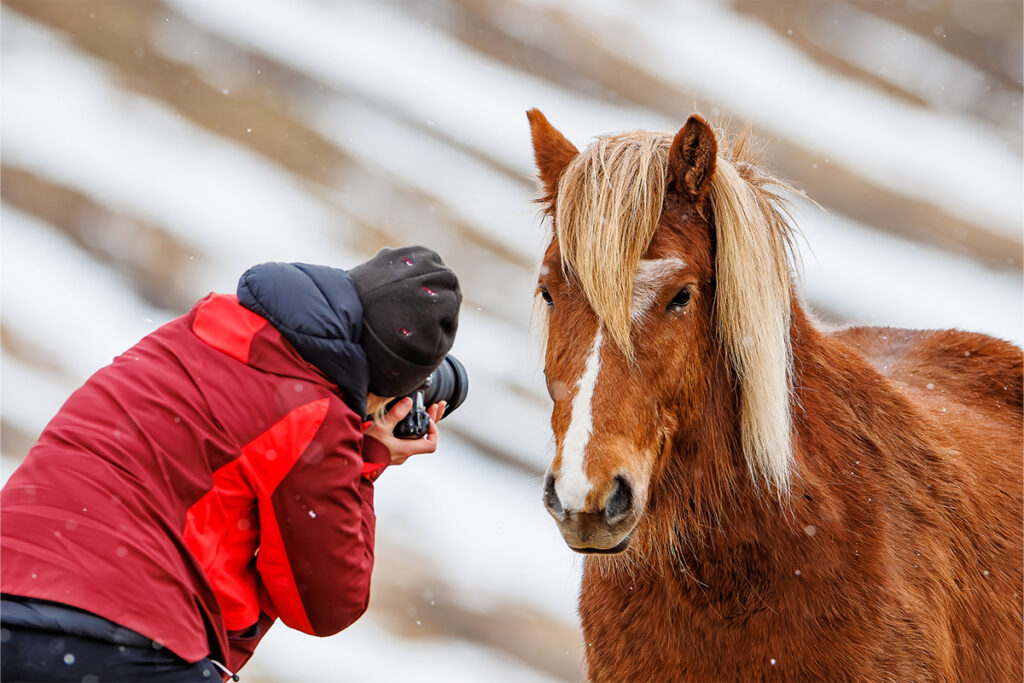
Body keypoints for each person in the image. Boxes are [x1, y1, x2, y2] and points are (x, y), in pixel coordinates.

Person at [0, 246, 462, 681]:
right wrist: (367, 458)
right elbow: (325, 605)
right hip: (125, 635)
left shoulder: (198, 329)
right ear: (386, 385)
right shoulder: (314, 410)